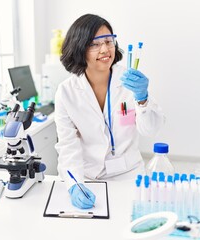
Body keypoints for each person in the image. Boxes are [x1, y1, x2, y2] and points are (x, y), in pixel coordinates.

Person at [55, 14, 165, 209]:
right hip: (88, 179)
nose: (105, 49)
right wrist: (74, 185)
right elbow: (67, 146)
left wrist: (142, 98)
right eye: (95, 44)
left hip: (130, 176)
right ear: (79, 48)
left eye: (108, 41)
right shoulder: (66, 92)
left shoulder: (129, 81)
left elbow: (150, 130)